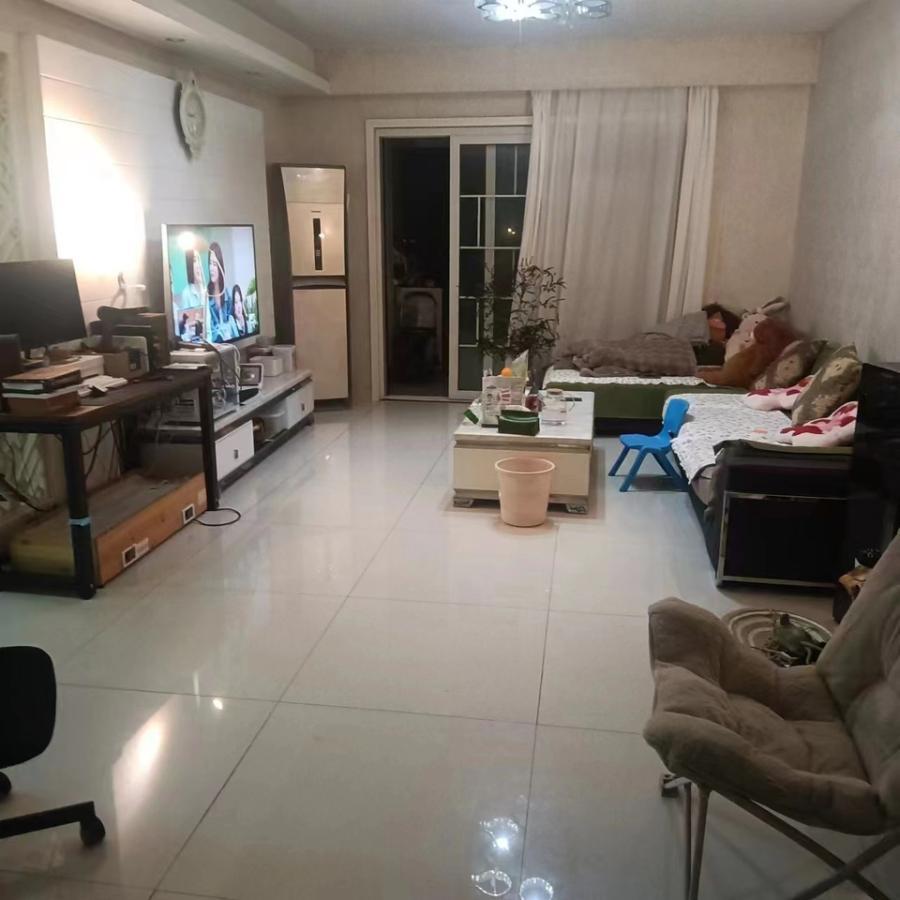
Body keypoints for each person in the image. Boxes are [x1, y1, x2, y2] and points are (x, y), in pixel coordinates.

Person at [207, 242, 239, 342]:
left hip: (230, 345)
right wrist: (223, 332)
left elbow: (233, 325)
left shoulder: (228, 295)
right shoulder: (206, 296)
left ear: (220, 266)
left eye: (214, 264)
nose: (211, 268)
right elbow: (210, 332)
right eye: (210, 263)